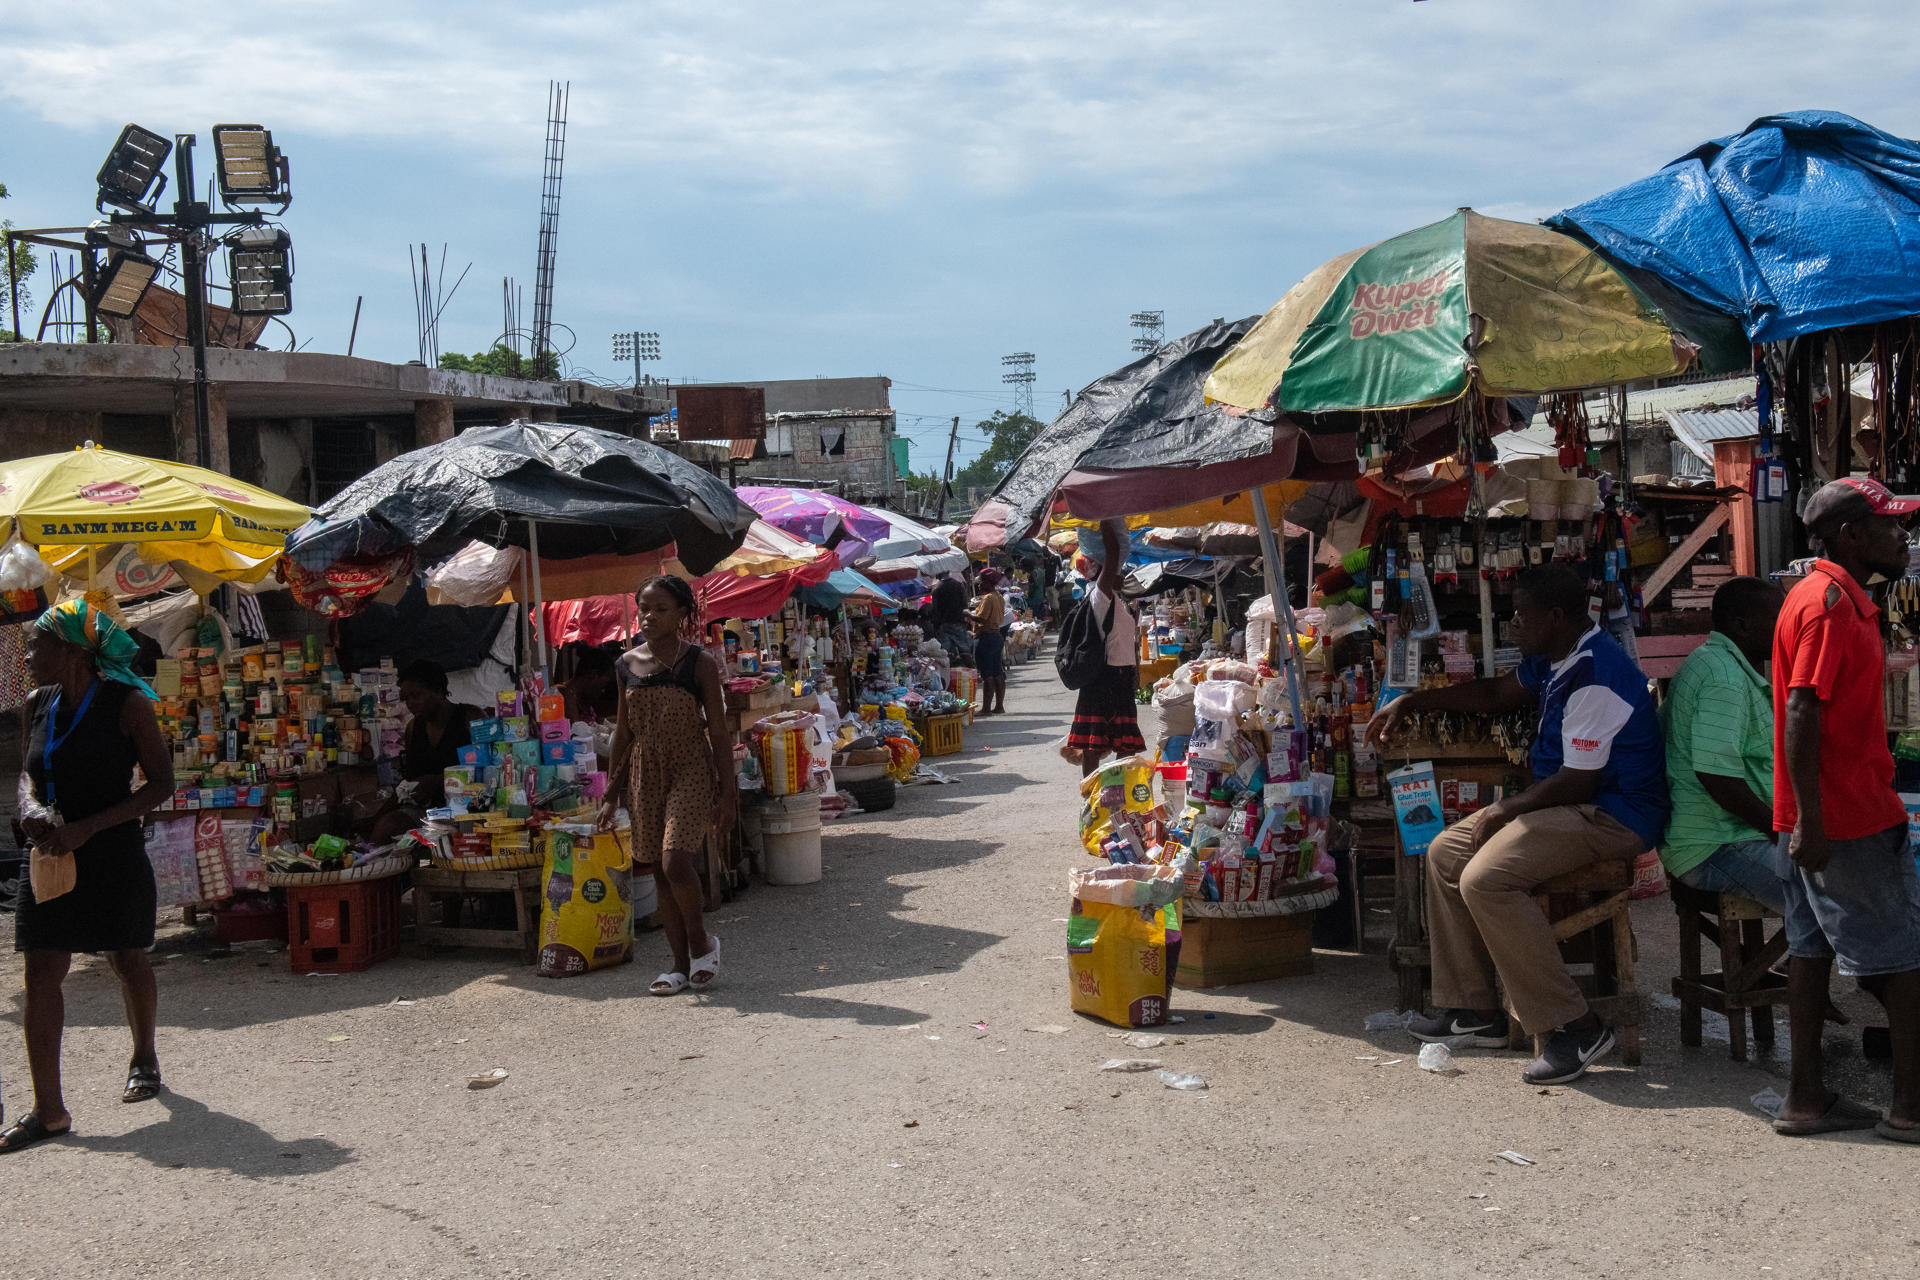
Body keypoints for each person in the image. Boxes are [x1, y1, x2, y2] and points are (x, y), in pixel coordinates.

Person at [1367, 564, 1667, 1085]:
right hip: (1566, 803)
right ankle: (1473, 1009)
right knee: (1444, 853)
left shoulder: (1598, 674)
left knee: (1487, 880)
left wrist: (1507, 809)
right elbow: (1494, 695)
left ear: (1555, 617)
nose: (1512, 626)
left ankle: (1577, 1025)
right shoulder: (1555, 658)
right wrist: (1412, 700)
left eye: (1521, 616)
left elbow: (1580, 782)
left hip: (1612, 813)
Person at [1770, 477, 1920, 1141]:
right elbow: (1804, 707)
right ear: (1850, 537)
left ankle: (1807, 1097)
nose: (1903, 535)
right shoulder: (1829, 603)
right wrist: (1814, 820)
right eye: (1891, 525)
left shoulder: (1831, 597)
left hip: (1815, 816)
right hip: (1844, 817)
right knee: (1901, 963)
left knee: (1809, 953)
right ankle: (1910, 1109)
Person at [3, 600, 175, 1153]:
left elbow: (160, 786)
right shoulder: (36, 703)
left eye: (36, 646)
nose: (26, 656)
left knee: (127, 956)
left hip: (111, 849)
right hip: (51, 852)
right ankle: (48, 1112)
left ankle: (144, 1056)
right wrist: (27, 806)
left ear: (74, 651)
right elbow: (26, 776)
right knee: (41, 972)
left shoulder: (126, 705)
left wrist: (90, 827)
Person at [600, 575, 736, 996]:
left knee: (675, 859)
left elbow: (717, 729)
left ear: (682, 614)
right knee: (657, 870)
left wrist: (729, 792)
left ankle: (701, 943)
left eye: (661, 608)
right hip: (645, 770)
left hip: (690, 766)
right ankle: (678, 966)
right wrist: (609, 793)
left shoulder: (699, 664)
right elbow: (623, 733)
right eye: (644, 608)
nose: (649, 616)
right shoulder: (625, 665)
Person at [1658, 576, 1787, 913]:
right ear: (1742, 626)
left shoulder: (1717, 662)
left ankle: (1798, 962)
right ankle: (1802, 964)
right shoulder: (1723, 679)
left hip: (1732, 836)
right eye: (1780, 620)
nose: (1789, 628)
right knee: (1834, 899)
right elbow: (1719, 779)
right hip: (1717, 845)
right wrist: (1782, 833)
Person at [1068, 520, 1145, 777]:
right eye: (1114, 570)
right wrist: (1103, 515)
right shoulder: (1099, 596)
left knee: (1126, 745)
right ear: (1105, 572)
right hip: (1103, 678)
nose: (1121, 573)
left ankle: (1116, 790)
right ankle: (1092, 794)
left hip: (1120, 679)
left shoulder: (1115, 599)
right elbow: (1112, 552)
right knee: (1093, 745)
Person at [972, 567, 1009, 714]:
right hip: (996, 636)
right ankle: (999, 706)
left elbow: (981, 618)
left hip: (985, 638)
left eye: (981, 583)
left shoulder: (988, 598)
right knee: (997, 672)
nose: (979, 585)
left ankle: (986, 708)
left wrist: (968, 613)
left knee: (987, 674)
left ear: (988, 583)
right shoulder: (998, 596)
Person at [559, 646, 618, 727]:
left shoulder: (586, 699)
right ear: (593, 675)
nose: (603, 690)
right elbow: (577, 730)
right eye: (604, 684)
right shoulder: (564, 694)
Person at [929, 573, 976, 667]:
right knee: (964, 650)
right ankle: (973, 673)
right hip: (958, 623)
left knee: (945, 654)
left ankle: (947, 677)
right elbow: (965, 605)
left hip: (944, 624)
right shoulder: (958, 585)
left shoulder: (937, 589)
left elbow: (935, 610)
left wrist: (936, 626)